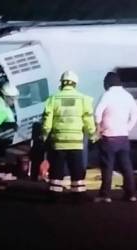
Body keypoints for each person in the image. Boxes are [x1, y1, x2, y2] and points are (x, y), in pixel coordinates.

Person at [42, 70, 97, 202]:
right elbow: (88, 120)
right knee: (77, 169)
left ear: (61, 83)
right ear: (75, 83)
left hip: (58, 141)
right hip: (76, 142)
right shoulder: (83, 99)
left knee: (57, 169)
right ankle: (78, 195)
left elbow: (47, 120)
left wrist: (44, 135)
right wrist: (92, 134)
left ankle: (54, 195)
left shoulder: (53, 99)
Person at [94, 72, 137, 203]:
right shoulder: (127, 96)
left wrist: (99, 127)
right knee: (126, 166)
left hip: (109, 137)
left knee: (107, 166)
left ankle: (105, 195)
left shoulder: (107, 95)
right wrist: (128, 127)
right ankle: (130, 194)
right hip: (123, 136)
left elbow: (97, 112)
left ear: (107, 83)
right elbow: (135, 113)